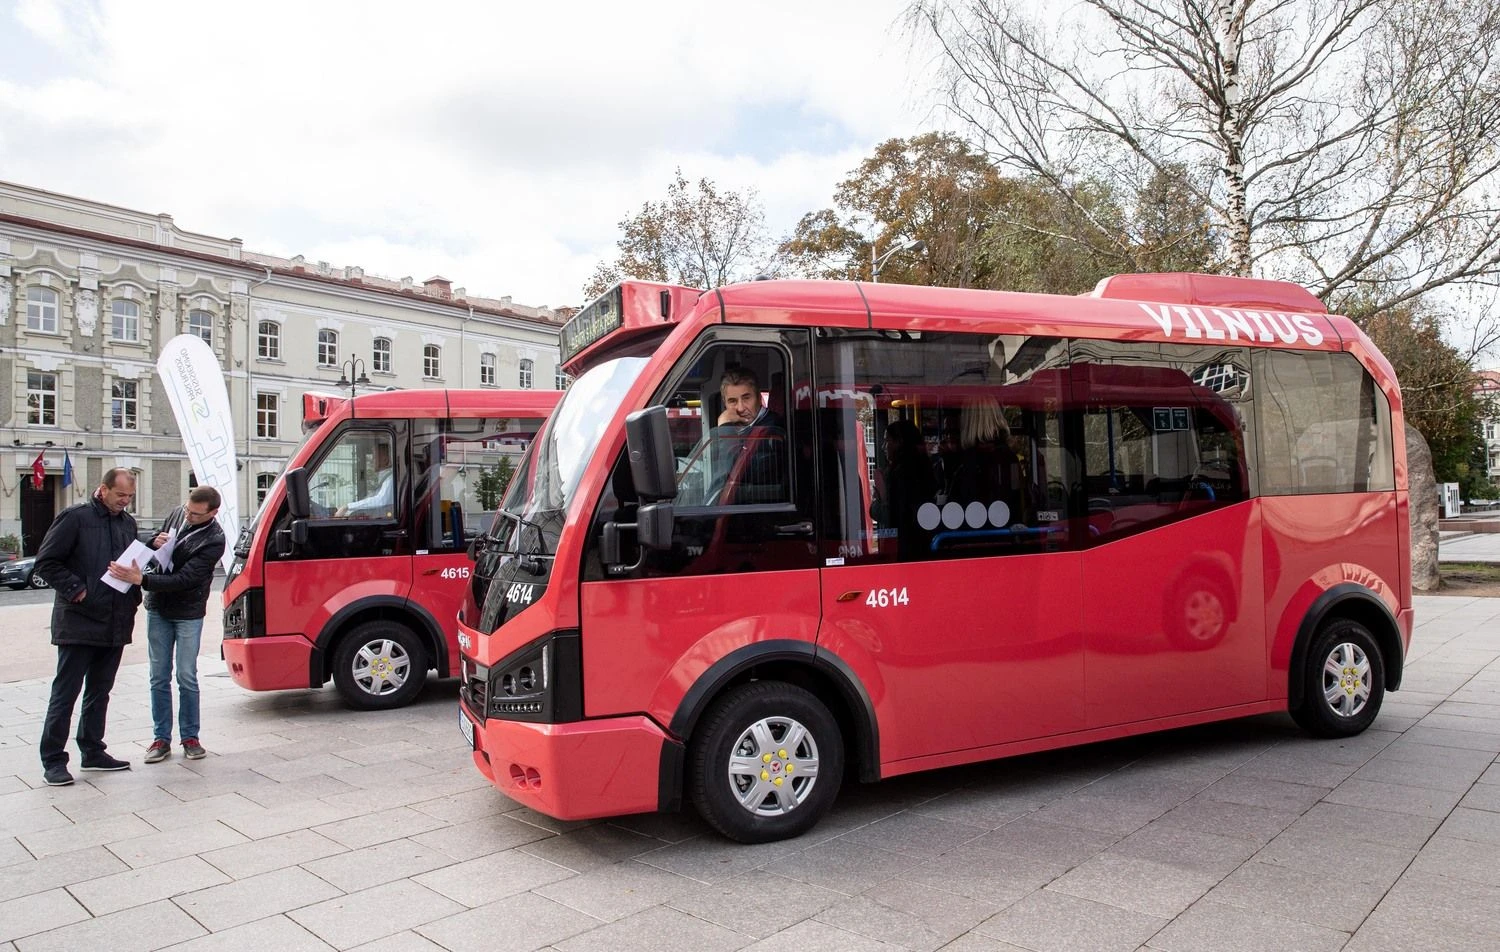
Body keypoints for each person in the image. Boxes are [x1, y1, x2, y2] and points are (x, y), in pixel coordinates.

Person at [35, 468, 142, 787]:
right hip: (79, 621)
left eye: (130, 497)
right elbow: (47, 562)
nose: (125, 501)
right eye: (120, 495)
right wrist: (78, 590)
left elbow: (129, 564)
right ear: (103, 489)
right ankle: (53, 760)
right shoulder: (75, 517)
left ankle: (93, 750)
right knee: (65, 694)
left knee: (100, 692)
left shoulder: (127, 523)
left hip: (115, 620)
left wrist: (134, 590)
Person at [107, 485, 226, 764]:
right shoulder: (177, 514)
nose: (189, 517)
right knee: (158, 675)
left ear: (213, 512)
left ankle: (190, 737)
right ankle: (161, 738)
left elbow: (187, 579)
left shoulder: (214, 538)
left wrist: (142, 581)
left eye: (196, 514)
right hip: (158, 607)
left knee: (186, 676)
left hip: (188, 612)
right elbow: (154, 550)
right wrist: (153, 543)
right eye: (188, 510)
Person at [706, 367, 786, 503]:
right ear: (724, 404)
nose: (741, 408)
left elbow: (731, 476)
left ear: (759, 398)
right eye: (732, 401)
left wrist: (725, 429)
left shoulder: (772, 430)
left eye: (746, 398)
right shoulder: (739, 428)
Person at [876, 419, 938, 558]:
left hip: (905, 547)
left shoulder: (899, 473)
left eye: (888, 441)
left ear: (899, 443)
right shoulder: (924, 468)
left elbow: (891, 516)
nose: (884, 446)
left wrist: (881, 495)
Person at [338, 442, 393, 518]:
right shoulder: (383, 478)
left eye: (374, 457)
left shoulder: (390, 479)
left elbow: (380, 500)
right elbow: (371, 499)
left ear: (385, 459)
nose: (371, 460)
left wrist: (347, 507)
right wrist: (348, 511)